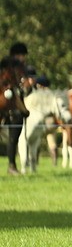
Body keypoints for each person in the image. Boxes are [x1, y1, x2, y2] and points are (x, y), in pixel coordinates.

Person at [3, 42, 30, 175]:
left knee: (14, 139)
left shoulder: (22, 69)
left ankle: (12, 166)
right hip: (8, 106)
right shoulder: (7, 67)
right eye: (20, 55)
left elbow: (23, 89)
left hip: (16, 107)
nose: (22, 57)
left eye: (23, 55)